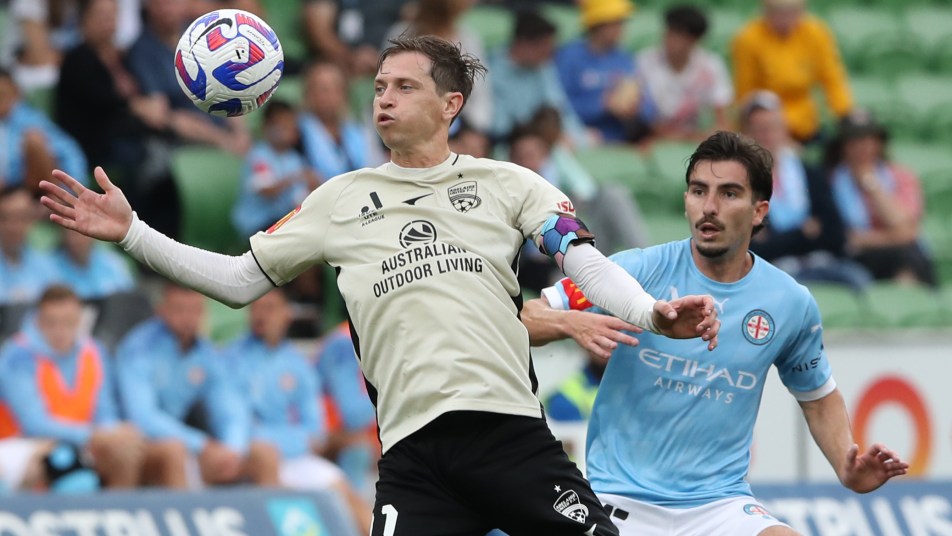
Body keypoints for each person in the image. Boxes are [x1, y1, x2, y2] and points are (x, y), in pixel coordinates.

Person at [40, 35, 719, 535]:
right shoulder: (338, 198)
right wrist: (134, 233)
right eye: (380, 87)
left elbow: (583, 261)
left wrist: (653, 314)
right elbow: (241, 281)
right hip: (411, 454)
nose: (384, 98)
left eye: (404, 87)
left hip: (508, 434)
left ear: (451, 103)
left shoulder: (507, 183)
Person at [523, 131, 909, 536]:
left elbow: (817, 396)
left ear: (759, 211)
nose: (709, 207)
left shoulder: (789, 302)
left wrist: (846, 464)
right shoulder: (636, 271)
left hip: (719, 505)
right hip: (620, 501)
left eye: (728, 194)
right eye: (698, 191)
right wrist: (571, 322)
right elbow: (527, 317)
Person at [226, 289, 372, 533]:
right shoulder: (231, 359)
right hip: (250, 455)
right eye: (256, 308)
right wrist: (295, 440)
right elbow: (236, 427)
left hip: (295, 456)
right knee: (266, 457)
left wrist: (294, 442)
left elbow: (316, 431)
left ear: (287, 315)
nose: (262, 315)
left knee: (344, 493)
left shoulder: (298, 364)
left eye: (270, 308)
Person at [114, 282, 279, 488]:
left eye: (195, 311)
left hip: (187, 444)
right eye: (180, 310)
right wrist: (201, 445)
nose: (188, 318)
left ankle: (262, 518)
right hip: (137, 445)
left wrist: (232, 450)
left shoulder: (207, 354)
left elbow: (230, 408)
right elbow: (143, 418)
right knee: (173, 453)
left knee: (263, 453)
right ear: (162, 311)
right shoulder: (138, 350)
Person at [0, 285, 155, 489]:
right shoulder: (18, 356)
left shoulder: (93, 352)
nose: (60, 331)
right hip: (21, 443)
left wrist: (113, 432)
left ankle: (119, 512)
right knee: (72, 475)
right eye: (51, 323)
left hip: (77, 441)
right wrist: (96, 435)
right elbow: (34, 424)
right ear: (38, 320)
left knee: (128, 448)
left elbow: (104, 411)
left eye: (68, 323)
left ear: (80, 320)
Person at [741, 91, 871, 290]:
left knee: (861, 280)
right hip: (776, 270)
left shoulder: (809, 173)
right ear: (747, 135)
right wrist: (805, 232)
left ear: (784, 130)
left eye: (773, 128)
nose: (767, 136)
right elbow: (754, 249)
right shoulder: (740, 184)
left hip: (822, 262)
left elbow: (835, 233)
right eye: (759, 129)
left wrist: (779, 237)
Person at [823, 109, 937, 287]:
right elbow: (844, 238)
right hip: (855, 258)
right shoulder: (830, 182)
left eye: (868, 140)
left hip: (897, 251)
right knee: (905, 256)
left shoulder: (901, 177)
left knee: (909, 255)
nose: (862, 147)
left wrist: (870, 183)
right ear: (843, 146)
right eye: (854, 141)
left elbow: (906, 229)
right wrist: (894, 236)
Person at [125, 0, 251, 156]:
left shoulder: (203, 34)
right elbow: (162, 112)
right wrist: (222, 140)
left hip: (224, 122)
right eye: (159, 3)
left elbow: (229, 84)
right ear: (149, 6)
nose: (166, 8)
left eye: (172, 3)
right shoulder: (142, 51)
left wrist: (240, 132)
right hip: (186, 139)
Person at [731, 0, 852, 144]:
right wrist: (772, 130)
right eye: (779, 12)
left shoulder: (815, 32)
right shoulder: (747, 38)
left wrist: (844, 115)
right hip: (766, 125)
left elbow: (832, 77)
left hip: (806, 124)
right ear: (766, 11)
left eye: (793, 12)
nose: (786, 18)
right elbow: (747, 93)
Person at [556, 0, 659, 144]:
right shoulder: (570, 56)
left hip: (620, 142)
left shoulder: (624, 59)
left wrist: (635, 107)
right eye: (615, 23)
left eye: (621, 23)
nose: (620, 29)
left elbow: (650, 109)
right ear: (597, 24)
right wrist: (602, 104)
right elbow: (559, 107)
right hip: (579, 140)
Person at [490, 11, 591, 148]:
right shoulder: (492, 70)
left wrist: (579, 137)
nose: (550, 53)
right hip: (506, 144)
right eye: (545, 46)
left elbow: (559, 107)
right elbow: (499, 126)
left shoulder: (544, 67)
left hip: (546, 141)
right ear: (524, 44)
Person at [637, 5, 733, 142]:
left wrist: (694, 137)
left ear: (694, 40)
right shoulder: (645, 63)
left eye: (678, 34)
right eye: (669, 31)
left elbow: (723, 121)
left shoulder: (711, 66)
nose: (670, 38)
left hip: (695, 139)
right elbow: (641, 116)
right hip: (652, 138)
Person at [233, 100, 319, 239]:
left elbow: (298, 199)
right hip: (257, 225)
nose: (288, 131)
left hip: (281, 222)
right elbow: (267, 191)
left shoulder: (294, 158)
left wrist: (313, 187)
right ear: (266, 127)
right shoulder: (258, 155)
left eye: (291, 126)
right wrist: (295, 178)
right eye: (282, 126)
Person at [0, 68, 88, 195]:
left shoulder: (29, 120)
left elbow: (68, 151)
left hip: (29, 187)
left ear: (15, 93)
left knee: (34, 140)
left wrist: (73, 190)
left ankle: (52, 198)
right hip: (6, 191)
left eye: (2, 94)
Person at [313, 320, 377, 491]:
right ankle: (354, 516)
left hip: (368, 435)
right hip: (329, 435)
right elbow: (352, 416)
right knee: (359, 448)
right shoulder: (343, 342)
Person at [298, 61, 384, 181]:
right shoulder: (296, 134)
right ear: (308, 94)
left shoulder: (357, 131)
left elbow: (376, 169)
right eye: (323, 89)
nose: (330, 95)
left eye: (336, 88)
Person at [0, 186, 59, 305]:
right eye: (6, 218)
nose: (14, 226)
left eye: (22, 217)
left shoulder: (47, 265)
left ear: (31, 220)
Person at [53, 227, 136, 300]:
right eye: (73, 234)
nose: (79, 239)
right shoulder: (51, 267)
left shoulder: (114, 263)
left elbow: (130, 300)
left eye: (84, 232)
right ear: (63, 236)